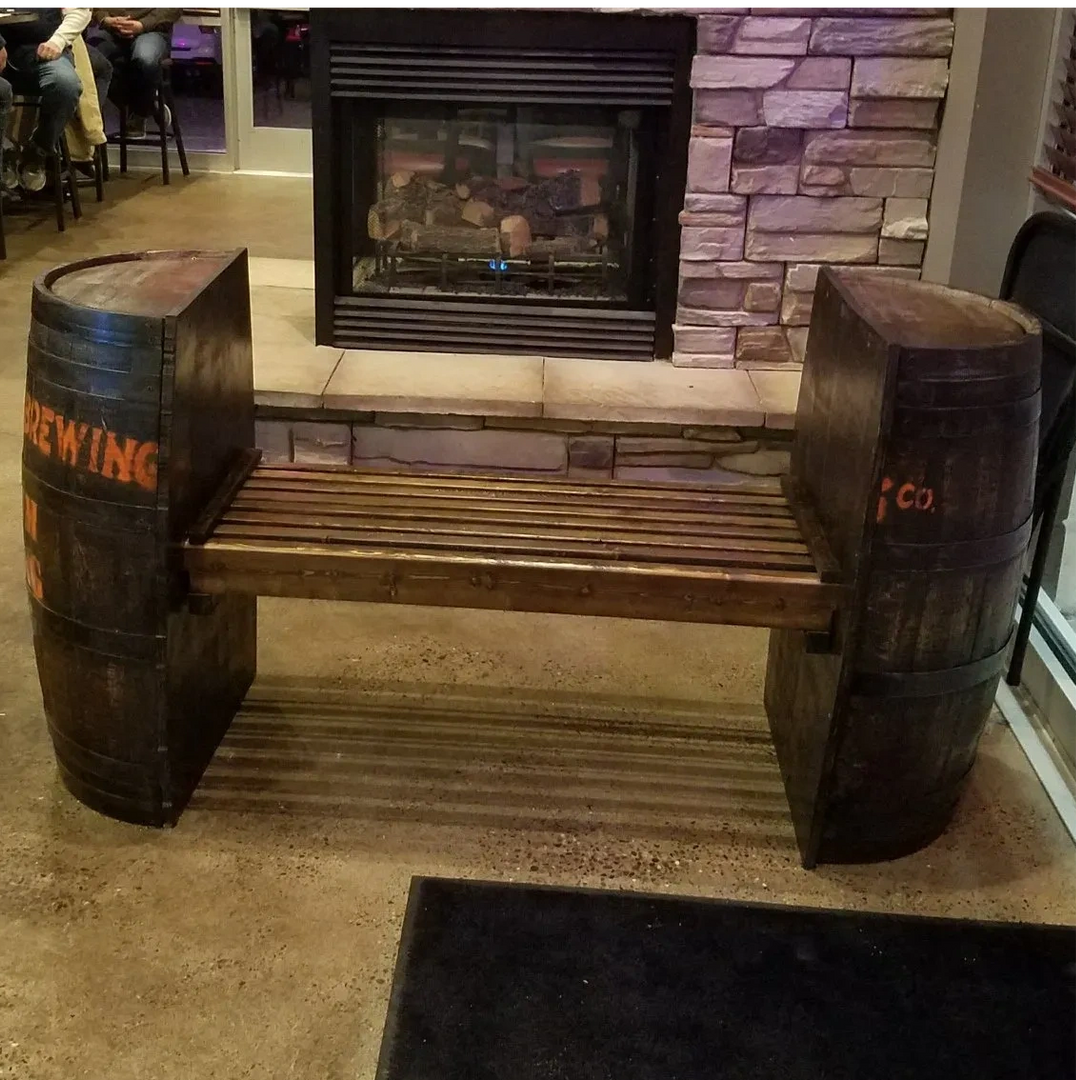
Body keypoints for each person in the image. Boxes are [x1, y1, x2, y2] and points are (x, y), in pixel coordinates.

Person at [1, 6, 88, 191]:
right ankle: (4, 152)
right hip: (2, 49)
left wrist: (59, 40)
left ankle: (38, 151)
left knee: (65, 85)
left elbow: (80, 12)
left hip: (45, 48)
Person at [87, 5, 178, 138]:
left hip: (152, 30)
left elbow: (172, 9)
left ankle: (140, 113)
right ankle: (148, 104)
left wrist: (142, 25)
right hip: (112, 30)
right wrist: (104, 19)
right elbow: (95, 8)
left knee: (145, 58)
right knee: (88, 60)